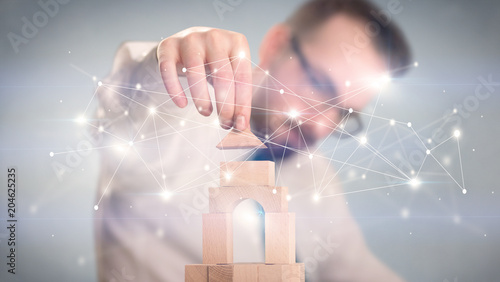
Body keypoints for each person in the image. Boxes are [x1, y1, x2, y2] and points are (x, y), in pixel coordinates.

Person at [92, 0, 411, 281]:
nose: (320, 125)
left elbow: (349, 266)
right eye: (319, 84)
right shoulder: (178, 123)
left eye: (343, 112)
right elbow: (132, 105)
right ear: (275, 45)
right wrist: (171, 59)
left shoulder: (315, 178)